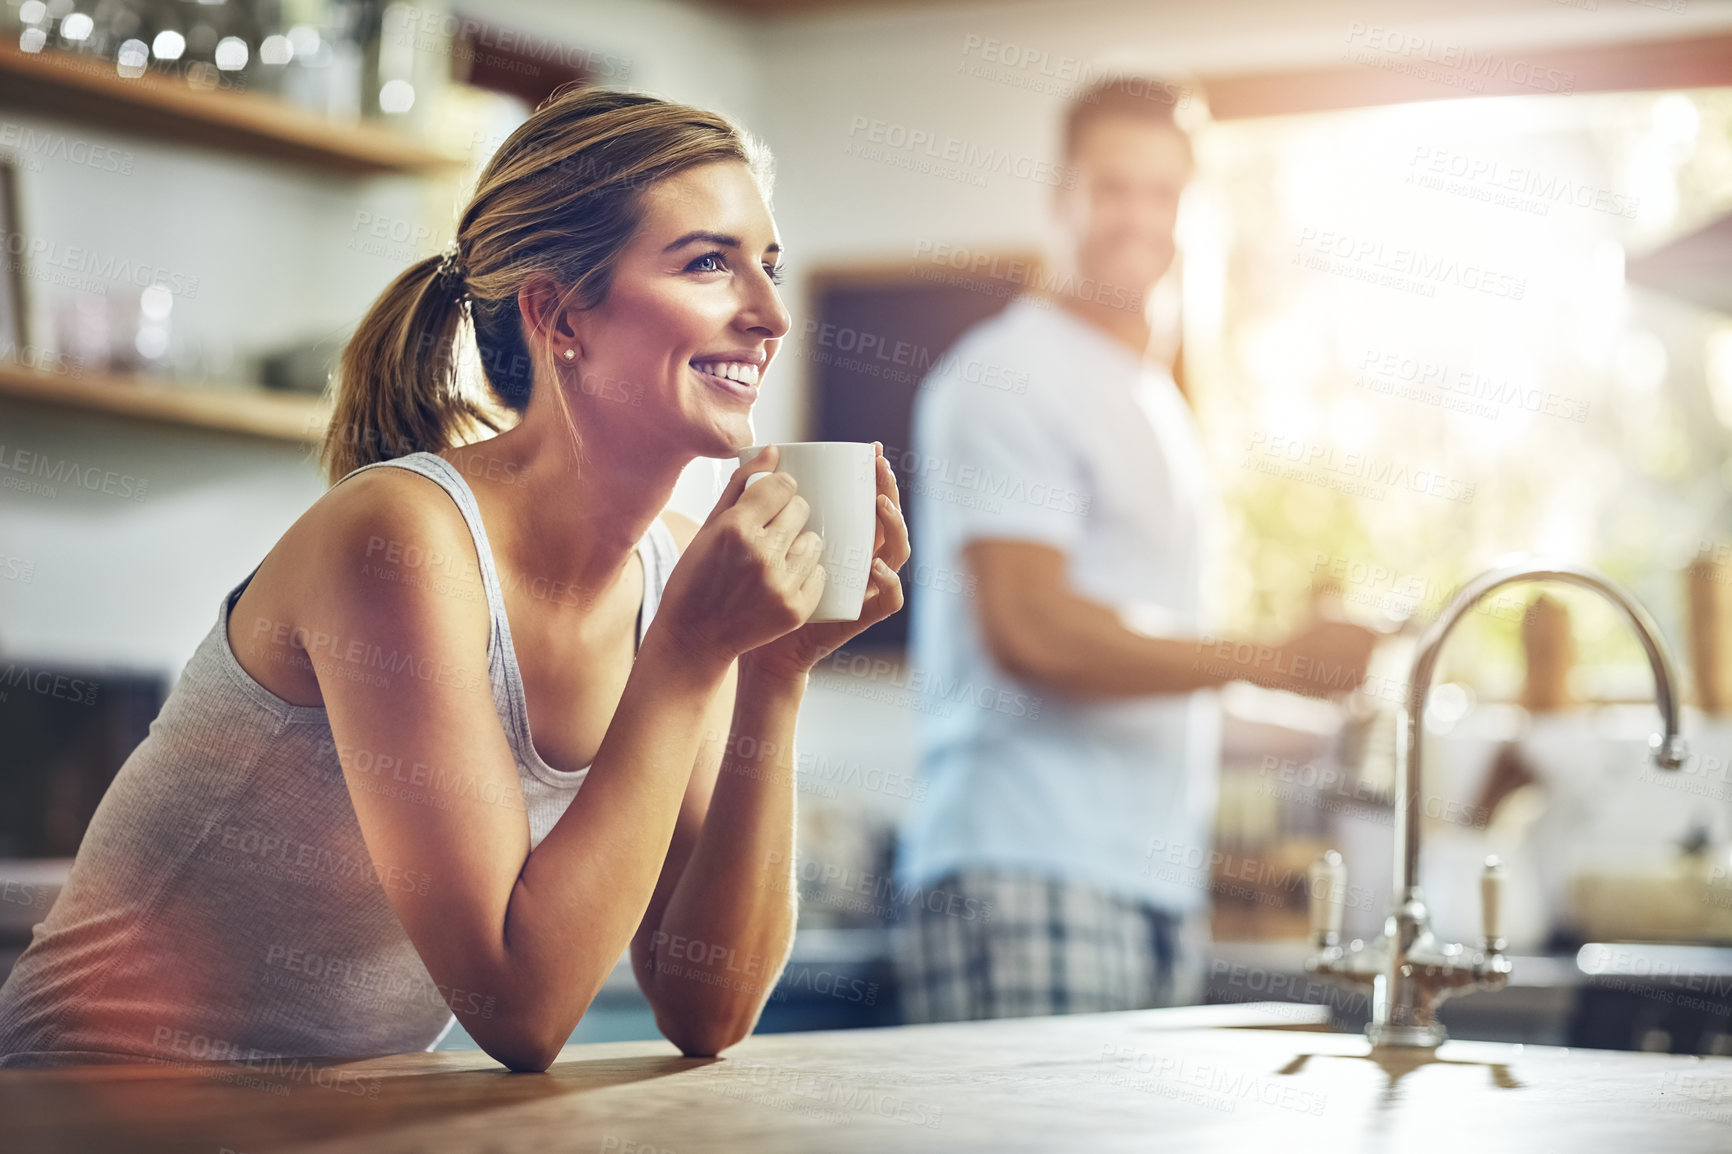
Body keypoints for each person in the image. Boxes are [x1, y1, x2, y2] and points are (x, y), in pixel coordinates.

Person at [0, 88, 910, 1072]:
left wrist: (771, 673)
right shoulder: (399, 540)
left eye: (768, 269)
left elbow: (706, 1002)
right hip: (89, 1105)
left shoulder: (675, 573)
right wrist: (691, 653)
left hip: (342, 1118)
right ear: (559, 314)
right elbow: (518, 1007)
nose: (772, 315)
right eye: (707, 263)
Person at [893, 78, 1375, 1022]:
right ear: (1060, 195)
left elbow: (1164, 675)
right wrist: (1276, 654)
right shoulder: (1007, 377)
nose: (1139, 217)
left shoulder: (1156, 401)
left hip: (1148, 886)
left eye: (1164, 193)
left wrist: (1331, 715)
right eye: (1113, 188)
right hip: (1024, 866)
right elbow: (1033, 632)